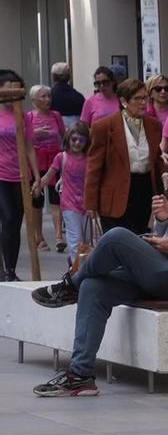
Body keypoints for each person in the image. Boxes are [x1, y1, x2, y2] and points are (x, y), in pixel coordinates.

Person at [31, 127, 168, 397]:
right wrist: (162, 221)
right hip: (167, 268)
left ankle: (69, 286)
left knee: (115, 237)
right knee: (93, 287)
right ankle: (80, 375)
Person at [85, 78, 167, 237]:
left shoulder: (154, 125)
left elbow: (156, 158)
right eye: (138, 98)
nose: (143, 102)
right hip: (115, 194)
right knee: (117, 242)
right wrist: (90, 204)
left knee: (142, 241)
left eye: (145, 98)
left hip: (144, 191)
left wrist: (164, 174)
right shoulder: (103, 127)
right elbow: (94, 167)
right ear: (123, 101)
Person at [34, 121, 91, 255]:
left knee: (87, 240)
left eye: (81, 140)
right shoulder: (62, 157)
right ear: (68, 139)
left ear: (87, 141)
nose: (77, 143)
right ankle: (74, 268)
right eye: (74, 139)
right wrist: (38, 186)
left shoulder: (89, 159)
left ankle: (83, 266)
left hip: (87, 205)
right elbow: (48, 176)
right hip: (69, 205)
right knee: (75, 239)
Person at [27, 86, 64, 252]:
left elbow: (64, 136)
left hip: (55, 159)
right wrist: (36, 133)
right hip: (36, 161)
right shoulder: (29, 117)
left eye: (49, 96)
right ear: (34, 100)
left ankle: (58, 237)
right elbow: (23, 139)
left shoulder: (56, 116)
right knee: (37, 200)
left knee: (57, 198)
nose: (47, 99)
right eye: (43, 96)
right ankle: (39, 237)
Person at [0, 70, 25, 279]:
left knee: (15, 222)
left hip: (21, 176)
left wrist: (37, 177)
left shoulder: (24, 116)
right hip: (1, 175)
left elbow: (30, 147)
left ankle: (10, 269)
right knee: (7, 217)